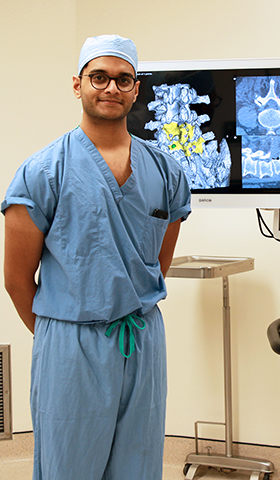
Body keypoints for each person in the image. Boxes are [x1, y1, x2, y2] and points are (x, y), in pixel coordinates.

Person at [3, 35, 191, 480]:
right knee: (70, 466)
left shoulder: (165, 171)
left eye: (123, 79)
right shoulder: (43, 172)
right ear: (77, 84)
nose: (111, 88)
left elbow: (156, 263)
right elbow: (15, 278)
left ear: (136, 88)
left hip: (142, 338)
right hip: (71, 342)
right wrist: (61, 332)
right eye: (99, 77)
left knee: (139, 464)